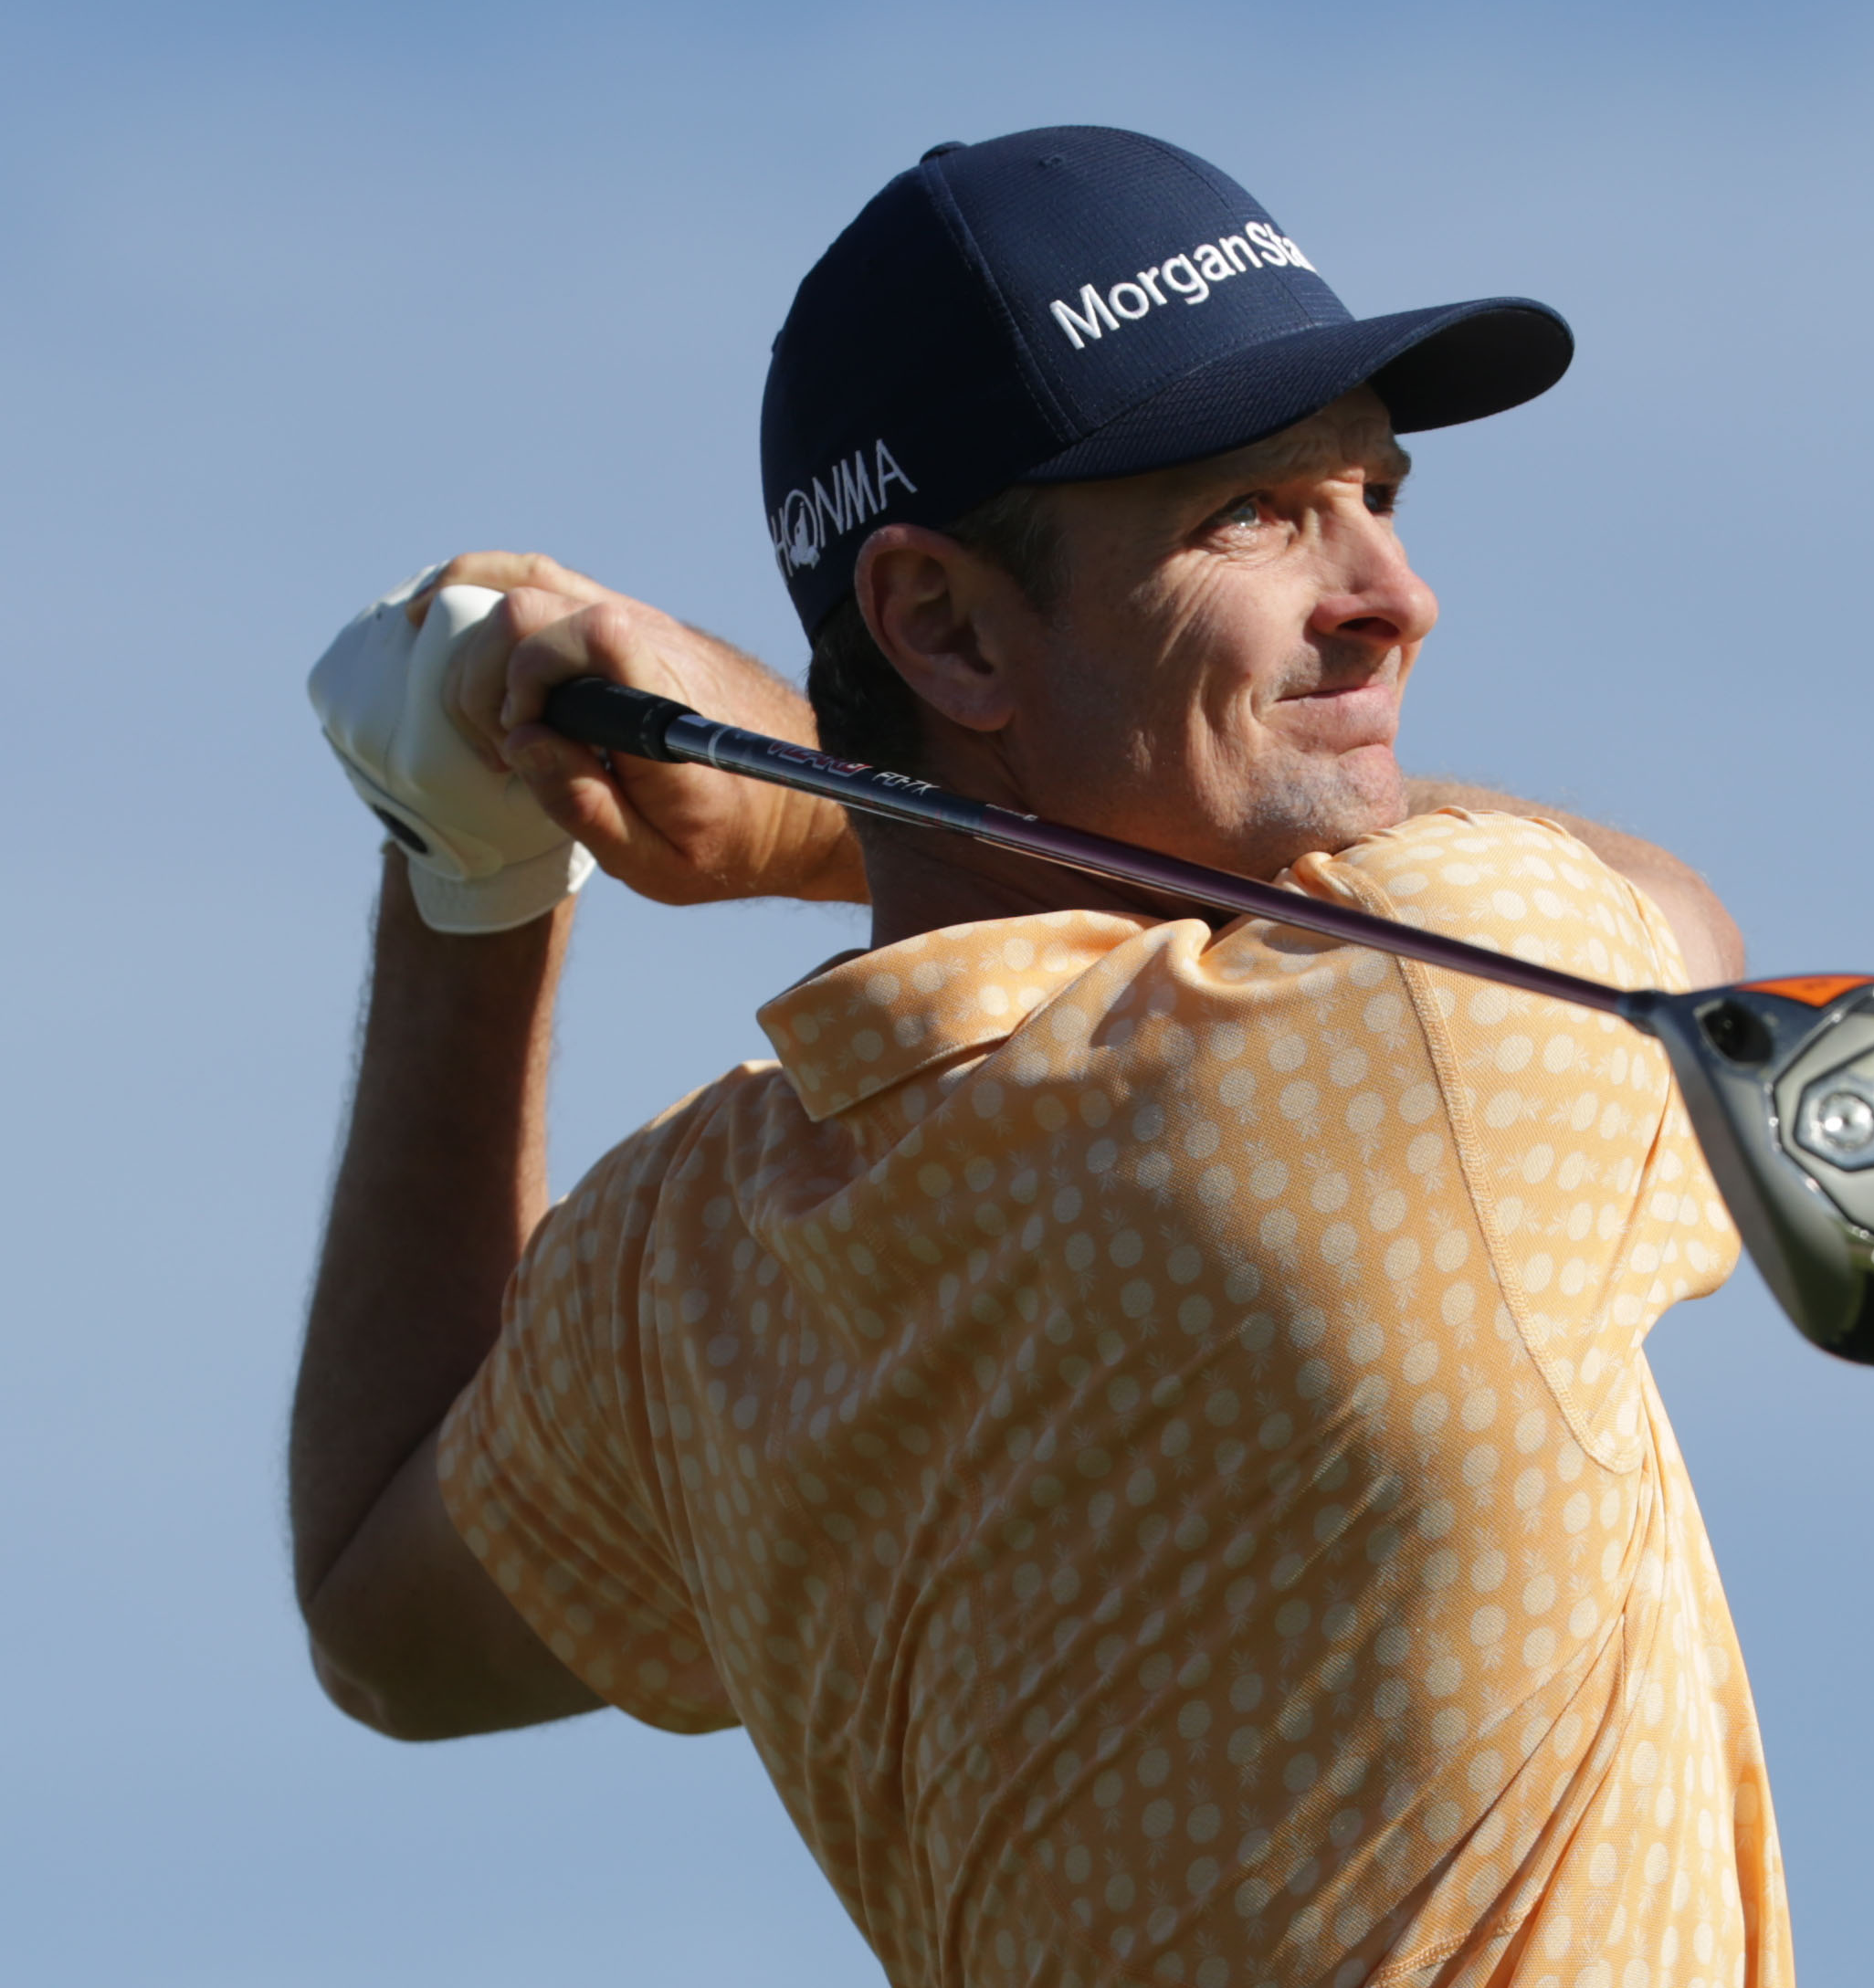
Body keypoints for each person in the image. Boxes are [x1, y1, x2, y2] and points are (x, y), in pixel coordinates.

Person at [293, 128, 1792, 1987]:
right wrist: (802, 806)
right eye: (1256, 514)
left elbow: (382, 1625)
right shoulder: (1445, 1013)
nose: (1393, 592)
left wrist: (465, 864)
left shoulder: (686, 1277)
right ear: (940, 627)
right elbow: (1686, 927)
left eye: (1375, 493)